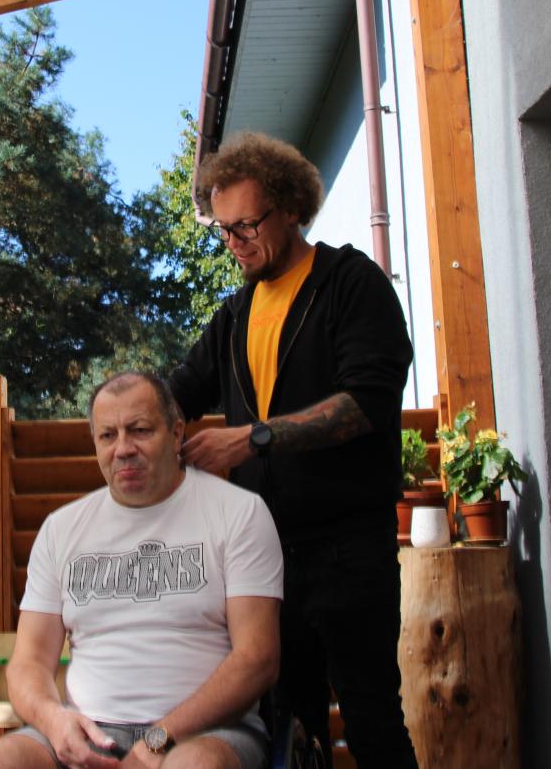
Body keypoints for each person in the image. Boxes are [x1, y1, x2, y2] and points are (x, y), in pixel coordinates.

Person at [167, 131, 418, 767]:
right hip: (264, 557)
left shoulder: (351, 284)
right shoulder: (233, 315)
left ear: (290, 209)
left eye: (246, 225)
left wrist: (255, 438)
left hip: (349, 551)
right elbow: (179, 392)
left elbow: (366, 403)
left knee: (372, 722)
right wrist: (131, 423)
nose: (233, 242)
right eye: (223, 229)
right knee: (287, 732)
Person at [0, 371, 284, 769]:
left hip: (207, 732)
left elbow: (258, 658)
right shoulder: (61, 529)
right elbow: (27, 662)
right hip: (90, 731)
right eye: (108, 435)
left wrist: (157, 739)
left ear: (176, 434)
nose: (123, 449)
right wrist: (54, 722)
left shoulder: (238, 513)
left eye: (139, 430)